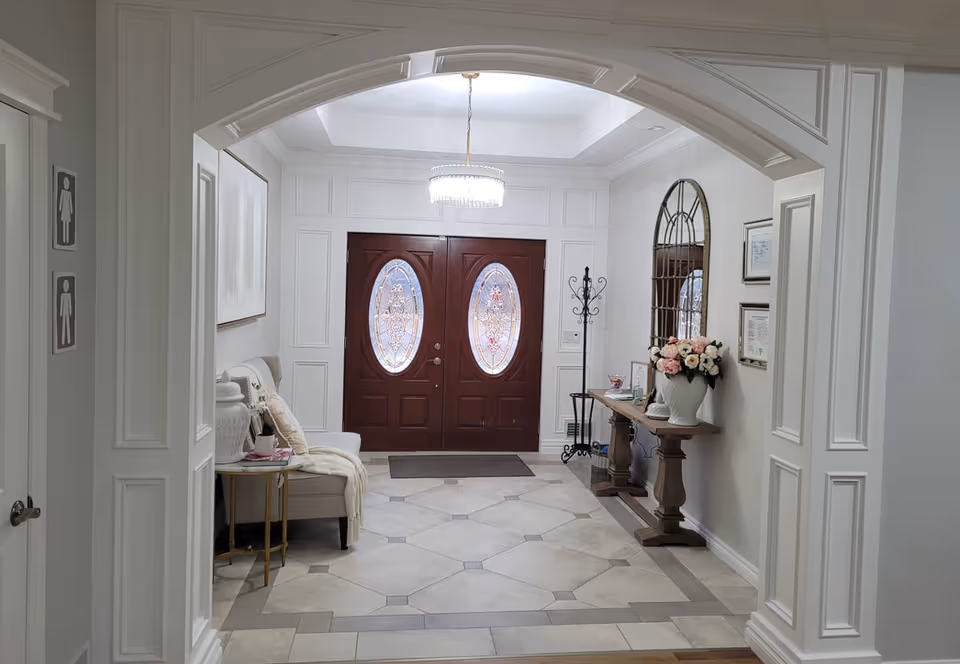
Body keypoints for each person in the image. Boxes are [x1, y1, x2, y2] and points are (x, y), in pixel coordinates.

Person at [59, 175, 74, 245]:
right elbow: (61, 200)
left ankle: (67, 240)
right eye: (65, 183)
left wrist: (71, 210)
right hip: (64, 209)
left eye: (67, 184)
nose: (66, 185)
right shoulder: (62, 192)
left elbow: (70, 202)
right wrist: (59, 207)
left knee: (67, 224)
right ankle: (64, 239)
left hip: (67, 210)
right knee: (64, 224)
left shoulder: (69, 193)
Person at [59, 279, 73, 348]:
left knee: (68, 325)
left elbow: (70, 304)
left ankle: (69, 341)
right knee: (63, 325)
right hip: (64, 311)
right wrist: (61, 312)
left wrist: (70, 311)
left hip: (67, 311)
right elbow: (61, 304)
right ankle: (63, 341)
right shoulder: (62, 295)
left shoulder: (68, 295)